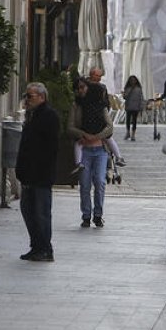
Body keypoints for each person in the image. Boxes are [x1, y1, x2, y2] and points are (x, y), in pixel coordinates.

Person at [17, 82, 60, 260]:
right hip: (28, 174)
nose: (26, 99)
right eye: (26, 96)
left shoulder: (49, 116)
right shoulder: (31, 115)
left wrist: (40, 170)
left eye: (30, 96)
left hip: (41, 175)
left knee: (41, 213)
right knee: (28, 211)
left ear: (41, 97)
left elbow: (50, 149)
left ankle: (45, 248)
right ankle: (36, 246)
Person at [69, 78, 113, 227]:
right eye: (78, 88)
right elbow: (70, 127)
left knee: (100, 182)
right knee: (85, 184)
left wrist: (96, 136)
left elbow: (110, 127)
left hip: (100, 150)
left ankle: (98, 215)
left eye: (83, 87)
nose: (80, 90)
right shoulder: (76, 106)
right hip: (85, 150)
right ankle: (86, 215)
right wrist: (83, 134)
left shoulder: (101, 106)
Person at [86, 68, 126, 166]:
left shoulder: (102, 87)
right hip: (88, 114)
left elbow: (106, 102)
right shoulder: (85, 85)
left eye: (100, 76)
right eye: (97, 76)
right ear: (91, 75)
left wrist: (104, 110)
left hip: (100, 113)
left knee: (108, 136)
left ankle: (119, 157)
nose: (99, 78)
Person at [122, 75, 144, 141]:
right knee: (128, 120)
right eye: (131, 80)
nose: (133, 82)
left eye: (134, 80)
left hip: (136, 107)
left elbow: (141, 98)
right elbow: (124, 97)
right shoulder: (127, 88)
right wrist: (129, 91)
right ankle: (128, 132)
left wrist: (141, 106)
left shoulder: (139, 89)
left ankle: (133, 134)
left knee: (134, 121)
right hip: (129, 106)